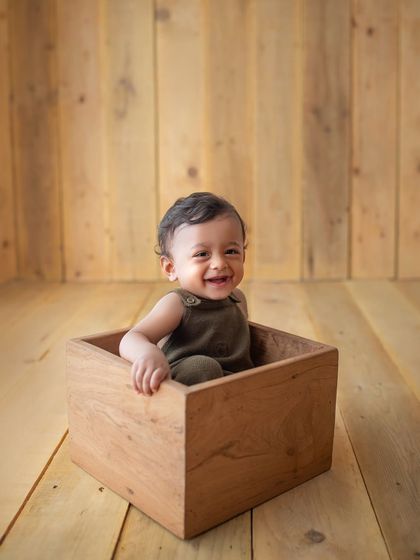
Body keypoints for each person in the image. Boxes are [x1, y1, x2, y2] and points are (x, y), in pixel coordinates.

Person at [119, 192, 254, 396]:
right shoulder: (177, 304)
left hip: (234, 392)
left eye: (231, 251)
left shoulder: (238, 299)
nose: (219, 263)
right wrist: (148, 353)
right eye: (202, 254)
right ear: (171, 268)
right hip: (183, 391)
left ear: (243, 256)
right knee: (203, 367)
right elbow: (132, 337)